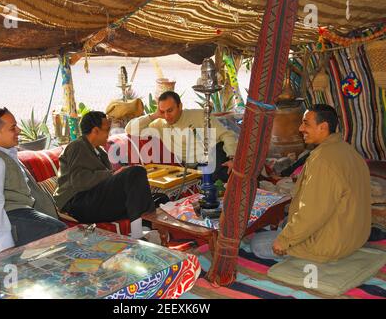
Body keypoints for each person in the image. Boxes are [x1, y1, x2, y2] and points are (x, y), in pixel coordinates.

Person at [251, 104, 371, 263]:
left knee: (257, 244)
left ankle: (303, 257)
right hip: (356, 234)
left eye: (306, 123)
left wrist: (284, 241)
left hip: (332, 244)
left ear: (323, 127)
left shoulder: (323, 161)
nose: (301, 128)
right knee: (287, 221)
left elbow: (314, 211)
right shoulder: (349, 151)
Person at [0, 108, 67, 255]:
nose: (18, 130)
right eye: (13, 128)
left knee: (58, 233)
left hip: (16, 215)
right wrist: (4, 244)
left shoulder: (7, 152)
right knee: (55, 233)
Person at [54, 111, 155, 240]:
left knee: (154, 198)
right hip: (77, 203)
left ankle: (145, 230)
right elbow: (80, 181)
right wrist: (113, 174)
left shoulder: (100, 152)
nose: (109, 133)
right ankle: (138, 232)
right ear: (95, 131)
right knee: (135, 172)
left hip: (93, 201)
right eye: (107, 129)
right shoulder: (77, 146)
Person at [125, 91, 237, 182]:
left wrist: (232, 158)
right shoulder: (160, 124)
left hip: (215, 156)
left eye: (170, 110)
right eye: (162, 111)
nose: (167, 116)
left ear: (180, 106)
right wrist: (154, 115)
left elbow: (227, 135)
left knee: (218, 176)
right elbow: (130, 130)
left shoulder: (200, 115)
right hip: (192, 168)